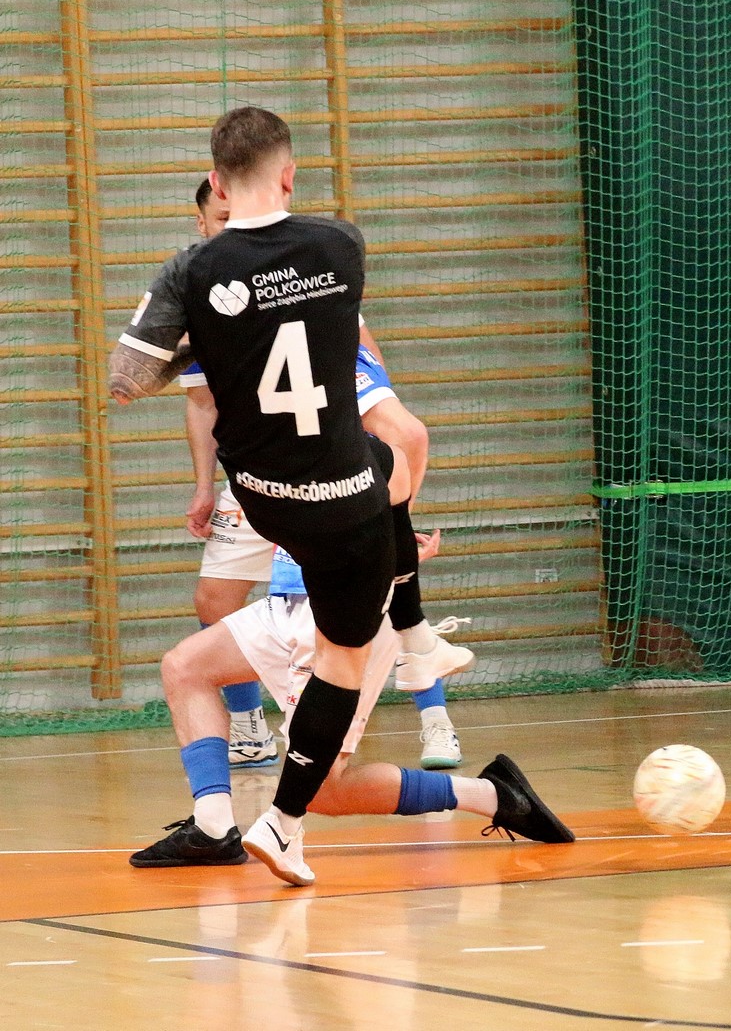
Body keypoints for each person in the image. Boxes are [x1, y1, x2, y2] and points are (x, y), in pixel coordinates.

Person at [110, 105, 403, 886]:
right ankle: (283, 822)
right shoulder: (341, 244)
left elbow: (127, 381)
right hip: (343, 498)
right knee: (345, 652)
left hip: (264, 497)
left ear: (216, 183)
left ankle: (228, 817)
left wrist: (204, 337)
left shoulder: (191, 270)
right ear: (290, 175)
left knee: (373, 471)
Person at [179, 178, 472, 772]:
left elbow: (391, 406)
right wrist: (205, 485)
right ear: (203, 224)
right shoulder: (200, 292)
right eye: (219, 219)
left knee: (372, 590)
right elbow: (202, 403)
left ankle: (435, 721)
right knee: (214, 598)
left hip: (321, 473)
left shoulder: (305, 281)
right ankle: (250, 730)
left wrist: (392, 513)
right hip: (258, 473)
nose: (231, 225)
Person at [128, 523, 573, 873]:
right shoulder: (271, 447)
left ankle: (491, 795)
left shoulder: (366, 440)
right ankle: (212, 828)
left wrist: (396, 557)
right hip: (287, 598)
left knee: (322, 792)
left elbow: (400, 465)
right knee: (185, 668)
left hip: (346, 612)